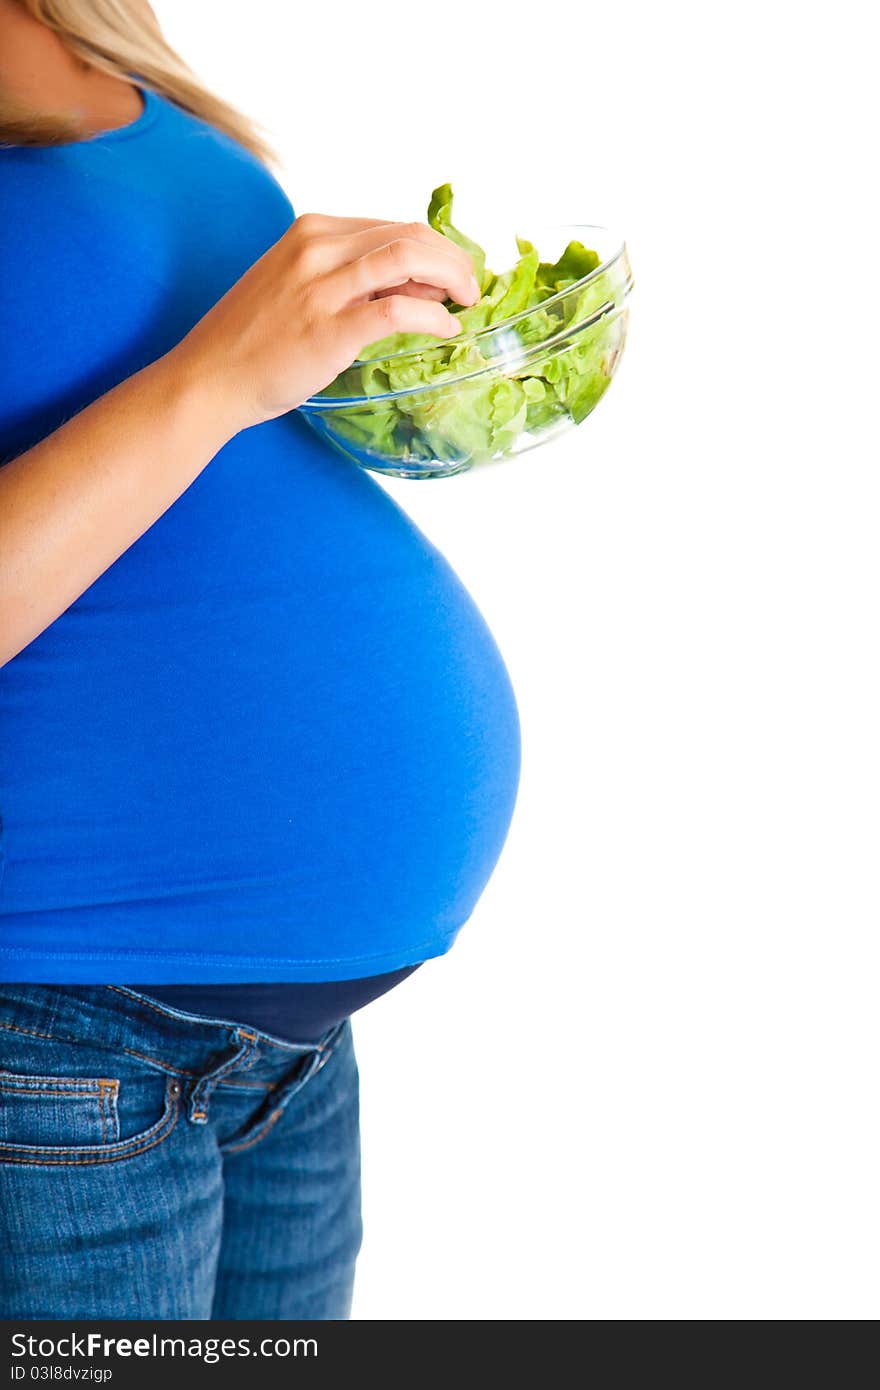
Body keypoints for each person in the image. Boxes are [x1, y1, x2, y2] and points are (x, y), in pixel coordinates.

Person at [0, 0, 521, 1319]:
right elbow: (196, 388)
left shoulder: (77, 20)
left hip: (275, 1045)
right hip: (57, 1027)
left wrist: (361, 366)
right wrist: (223, 372)